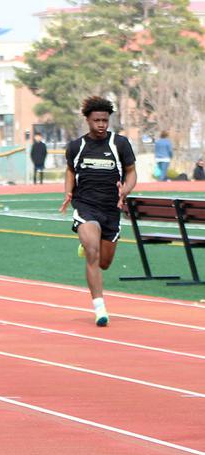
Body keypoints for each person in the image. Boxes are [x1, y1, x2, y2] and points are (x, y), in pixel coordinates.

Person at [59, 96, 136, 327]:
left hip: (111, 210)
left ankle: (89, 245)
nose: (101, 125)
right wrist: (68, 192)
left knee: (104, 263)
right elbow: (71, 171)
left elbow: (131, 172)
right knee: (92, 252)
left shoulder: (120, 144)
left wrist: (126, 190)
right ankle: (100, 309)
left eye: (105, 120)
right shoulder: (76, 146)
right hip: (86, 207)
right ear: (87, 120)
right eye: (96, 121)